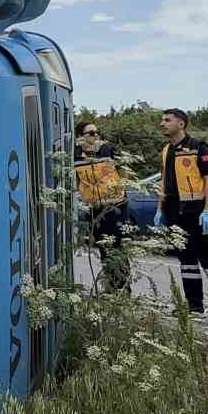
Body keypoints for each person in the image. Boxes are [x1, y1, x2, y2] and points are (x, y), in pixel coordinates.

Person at [151, 108, 208, 324]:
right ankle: (194, 306)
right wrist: (160, 209)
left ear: (181, 124)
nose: (162, 123)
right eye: (162, 120)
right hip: (175, 212)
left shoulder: (198, 147)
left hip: (198, 211)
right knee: (187, 261)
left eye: (167, 120)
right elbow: (164, 180)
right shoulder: (166, 150)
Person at [73, 121, 131, 294]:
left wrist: (121, 188)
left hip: (116, 206)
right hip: (94, 209)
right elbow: (77, 180)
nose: (95, 135)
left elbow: (124, 170)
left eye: (97, 132)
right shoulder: (76, 155)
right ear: (80, 136)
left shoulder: (108, 149)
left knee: (117, 249)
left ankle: (122, 289)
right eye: (90, 133)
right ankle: (111, 286)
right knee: (105, 249)